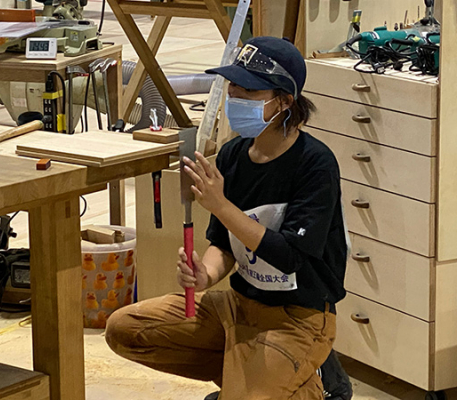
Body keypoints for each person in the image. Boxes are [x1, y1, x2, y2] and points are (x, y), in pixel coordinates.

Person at [106, 36, 352, 400]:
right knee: (125, 329)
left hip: (297, 316)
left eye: (248, 90)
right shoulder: (233, 155)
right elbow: (223, 242)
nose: (234, 96)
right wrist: (205, 274)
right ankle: (256, 376)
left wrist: (221, 205)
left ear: (284, 101)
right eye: (233, 86)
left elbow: (289, 256)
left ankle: (310, 376)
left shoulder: (315, 164)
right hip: (237, 307)